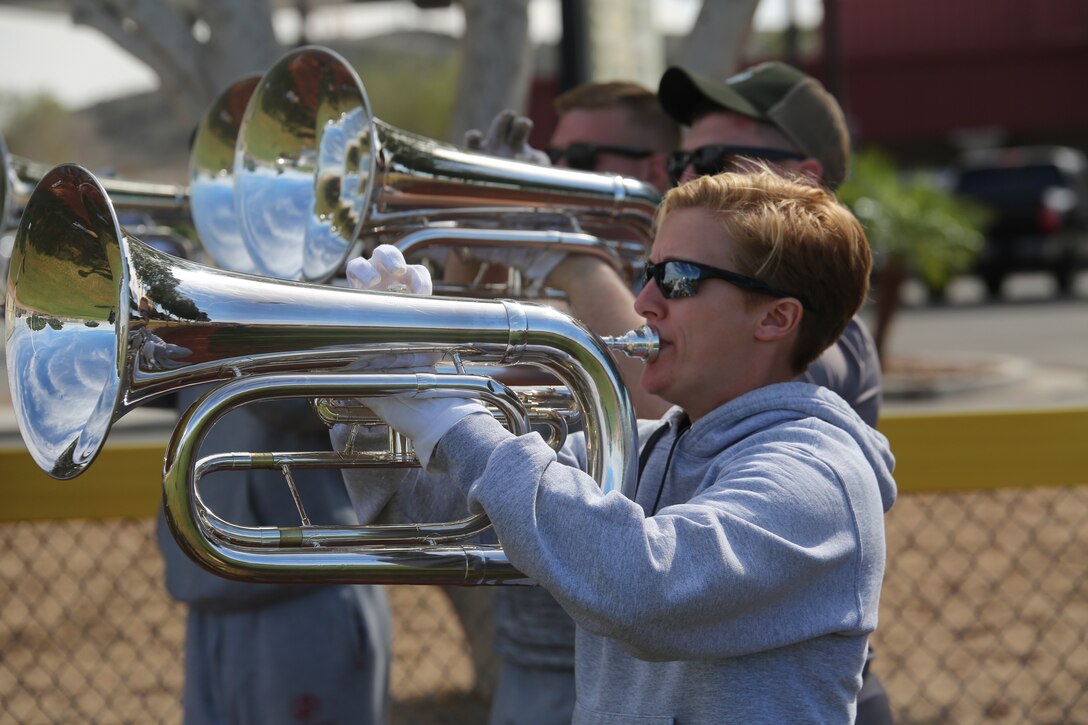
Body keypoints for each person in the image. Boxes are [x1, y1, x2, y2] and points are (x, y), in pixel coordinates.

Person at [340, 168, 897, 723]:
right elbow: (422, 513)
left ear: (776, 318)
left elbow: (652, 591)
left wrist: (449, 415)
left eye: (678, 279)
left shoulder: (819, 474)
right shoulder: (643, 448)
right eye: (648, 272)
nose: (644, 300)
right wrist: (376, 393)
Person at [153, 247, 397, 724]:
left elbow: (289, 403)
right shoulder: (209, 270)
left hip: (301, 607)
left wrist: (226, 300)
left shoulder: (316, 267)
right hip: (213, 594)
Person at [656, 60, 883, 429]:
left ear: (803, 179)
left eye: (712, 160)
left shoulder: (820, 337)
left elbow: (657, 425)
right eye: (682, 160)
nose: (686, 179)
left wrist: (585, 273)